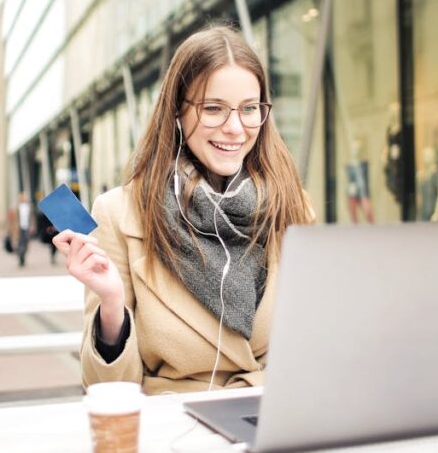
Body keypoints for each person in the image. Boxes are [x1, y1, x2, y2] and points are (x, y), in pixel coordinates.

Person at [52, 25, 314, 395]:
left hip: (272, 417)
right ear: (177, 111)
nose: (235, 128)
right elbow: (106, 389)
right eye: (213, 109)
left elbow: (313, 343)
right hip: (177, 428)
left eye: (249, 109)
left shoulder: (292, 205)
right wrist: (111, 305)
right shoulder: (119, 213)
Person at [16, 192, 32, 266]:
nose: (24, 199)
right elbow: (15, 219)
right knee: (20, 244)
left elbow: (32, 217)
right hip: (20, 228)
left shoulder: (29, 207)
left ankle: (22, 256)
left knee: (26, 244)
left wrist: (32, 226)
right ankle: (21, 258)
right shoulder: (18, 207)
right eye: (23, 197)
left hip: (27, 228)